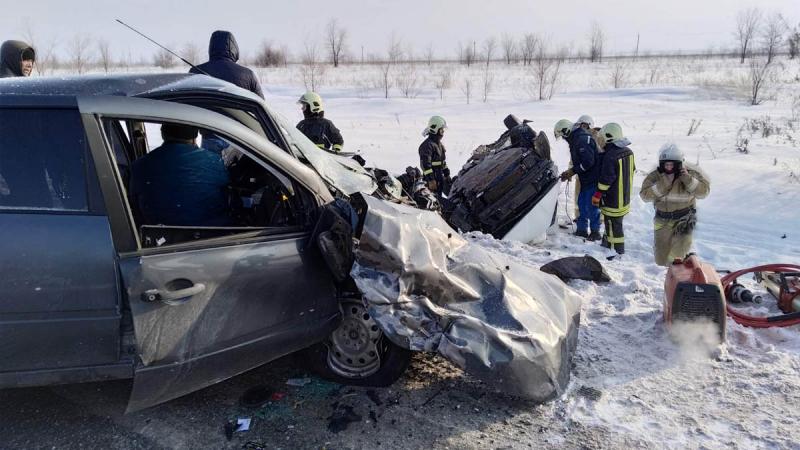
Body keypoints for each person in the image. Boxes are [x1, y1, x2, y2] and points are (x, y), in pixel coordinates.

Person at [130, 124, 231, 227]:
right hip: (212, 235)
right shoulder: (214, 161)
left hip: (157, 237)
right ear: (194, 136)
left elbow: (134, 205)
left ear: (163, 134)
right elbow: (226, 194)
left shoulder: (140, 166)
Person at [190, 31, 263, 154]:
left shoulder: (196, 71)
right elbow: (261, 107)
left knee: (212, 171)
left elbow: (189, 107)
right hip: (241, 139)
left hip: (210, 136)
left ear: (211, 48)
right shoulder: (248, 74)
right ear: (234, 48)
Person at [640, 143, 710, 266]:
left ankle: (679, 276)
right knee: (661, 260)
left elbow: (703, 192)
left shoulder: (691, 173)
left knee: (676, 258)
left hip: (685, 219)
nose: (669, 168)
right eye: (666, 165)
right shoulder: (655, 176)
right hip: (662, 220)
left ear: (679, 164)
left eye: (672, 165)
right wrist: (664, 184)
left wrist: (688, 180)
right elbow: (644, 195)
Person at [554, 118, 601, 241]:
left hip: (593, 179)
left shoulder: (582, 140)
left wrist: (572, 171)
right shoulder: (576, 139)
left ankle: (595, 232)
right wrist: (572, 171)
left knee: (592, 207)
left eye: (563, 136)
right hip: (585, 179)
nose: (563, 139)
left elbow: (588, 162)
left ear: (566, 131)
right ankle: (582, 230)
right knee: (581, 204)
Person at [593, 122, 635, 256]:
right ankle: (607, 243)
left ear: (609, 137)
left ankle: (615, 250)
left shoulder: (610, 156)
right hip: (625, 198)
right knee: (614, 224)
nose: (600, 141)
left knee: (613, 226)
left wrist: (598, 194)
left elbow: (606, 179)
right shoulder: (628, 152)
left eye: (602, 138)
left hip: (613, 200)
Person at [419, 115, 450, 196]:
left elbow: (442, 161)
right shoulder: (427, 145)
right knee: (432, 202)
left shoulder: (439, 145)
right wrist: (431, 180)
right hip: (432, 182)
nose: (443, 133)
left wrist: (447, 173)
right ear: (435, 129)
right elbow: (425, 165)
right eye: (441, 130)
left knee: (439, 201)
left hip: (439, 178)